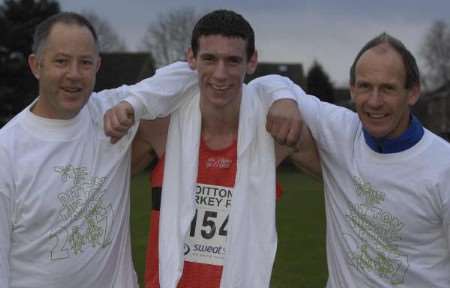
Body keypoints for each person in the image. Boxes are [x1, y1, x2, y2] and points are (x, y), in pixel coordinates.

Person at [0, 11, 308, 288]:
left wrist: (281, 92)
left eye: (85, 62)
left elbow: (185, 75)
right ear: (35, 65)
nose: (74, 74)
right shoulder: (7, 150)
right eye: (61, 61)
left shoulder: (112, 112)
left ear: (98, 66)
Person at [106, 9, 320, 288]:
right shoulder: (161, 127)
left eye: (233, 61)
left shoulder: (276, 136)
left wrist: (284, 94)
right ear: (191, 59)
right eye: (209, 58)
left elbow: (346, 183)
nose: (221, 74)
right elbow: (100, 181)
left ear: (252, 61)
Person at [274, 33, 450, 287]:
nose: (374, 101)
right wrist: (283, 100)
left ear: (412, 93)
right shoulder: (341, 131)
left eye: (387, 88)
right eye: (365, 87)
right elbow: (271, 83)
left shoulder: (443, 168)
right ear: (353, 89)